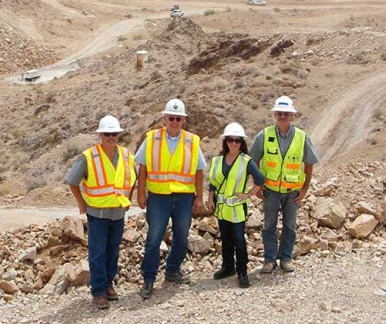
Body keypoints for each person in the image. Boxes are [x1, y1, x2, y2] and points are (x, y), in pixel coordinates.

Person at [135, 98, 207, 299]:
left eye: (178, 118)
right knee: (154, 239)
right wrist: (141, 194)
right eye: (171, 118)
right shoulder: (151, 138)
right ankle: (148, 279)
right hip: (158, 196)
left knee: (182, 237)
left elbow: (199, 170)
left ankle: (172, 271)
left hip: (184, 197)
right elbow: (143, 167)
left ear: (183, 120)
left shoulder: (192, 141)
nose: (174, 122)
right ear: (164, 118)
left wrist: (199, 196)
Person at [65, 115, 136, 310]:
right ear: (100, 135)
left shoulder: (126, 155)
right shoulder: (89, 157)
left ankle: (108, 284)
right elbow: (72, 181)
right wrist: (81, 203)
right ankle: (97, 291)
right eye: (107, 134)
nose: (111, 137)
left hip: (118, 212)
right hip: (97, 214)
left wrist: (128, 198)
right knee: (97, 253)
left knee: (112, 251)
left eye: (114, 134)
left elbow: (131, 178)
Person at [249, 95, 319, 274]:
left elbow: (309, 163)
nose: (283, 116)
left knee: (289, 226)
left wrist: (304, 189)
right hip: (270, 191)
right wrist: (257, 185)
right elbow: (253, 159)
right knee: (269, 226)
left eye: (286, 114)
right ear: (275, 115)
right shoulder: (264, 135)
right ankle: (269, 260)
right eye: (279, 113)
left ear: (292, 116)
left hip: (292, 191)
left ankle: (286, 258)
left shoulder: (302, 138)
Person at [207, 123, 265, 288]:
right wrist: (210, 199)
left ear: (242, 143)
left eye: (237, 140)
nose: (234, 143)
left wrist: (249, 194)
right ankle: (227, 267)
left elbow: (260, 180)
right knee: (225, 238)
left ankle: (242, 271)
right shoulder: (217, 160)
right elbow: (213, 182)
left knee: (239, 239)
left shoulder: (246, 161)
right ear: (225, 141)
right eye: (231, 140)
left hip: (238, 208)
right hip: (222, 207)